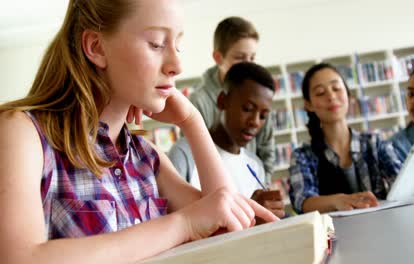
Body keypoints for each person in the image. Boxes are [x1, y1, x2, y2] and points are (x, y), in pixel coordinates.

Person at [0, 1, 277, 263]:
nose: (176, 66)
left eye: (177, 46)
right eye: (156, 44)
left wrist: (192, 122)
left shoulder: (147, 156)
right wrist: (184, 224)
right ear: (96, 47)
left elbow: (227, 225)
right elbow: (20, 258)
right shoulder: (23, 134)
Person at [288, 63, 414, 214]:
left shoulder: (374, 143)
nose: (331, 96)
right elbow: (302, 201)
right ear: (308, 104)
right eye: (321, 92)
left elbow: (400, 184)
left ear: (348, 95)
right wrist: (338, 201)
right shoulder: (302, 155)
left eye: (336, 88)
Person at [169, 62, 284, 219]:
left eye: (263, 116)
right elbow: (176, 221)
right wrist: (248, 216)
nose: (255, 122)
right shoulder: (185, 153)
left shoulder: (255, 165)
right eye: (248, 109)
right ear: (222, 100)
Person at [188, 16, 275, 183]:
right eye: (240, 57)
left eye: (252, 58)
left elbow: (266, 150)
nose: (248, 64)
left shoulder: (259, 95)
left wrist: (262, 185)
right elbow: (194, 156)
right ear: (218, 57)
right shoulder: (199, 101)